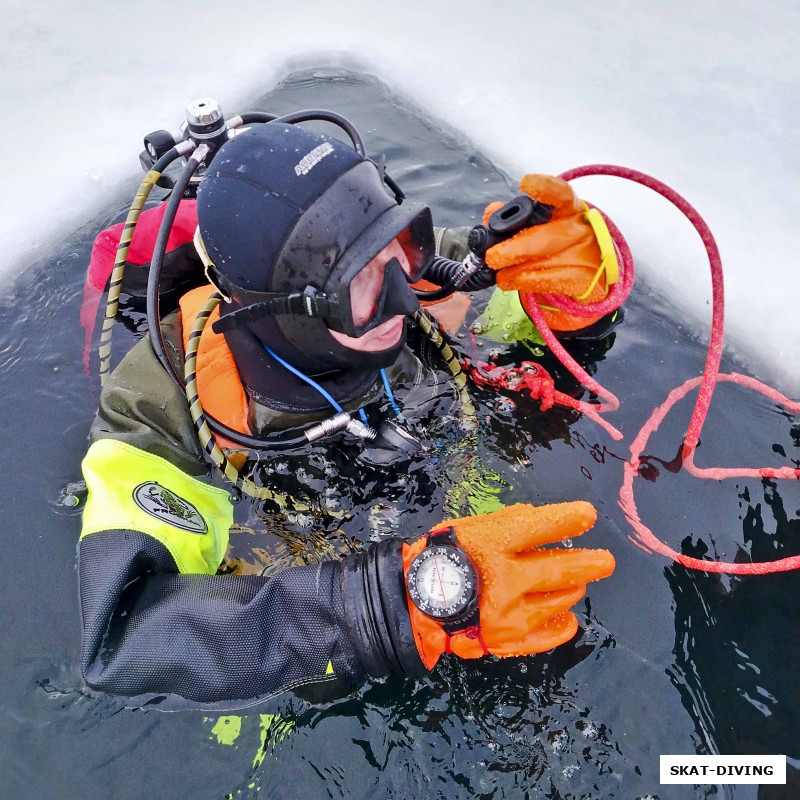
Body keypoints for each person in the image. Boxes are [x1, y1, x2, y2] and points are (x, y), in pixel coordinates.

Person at [78, 120, 616, 707]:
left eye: (401, 244)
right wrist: (384, 606)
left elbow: (539, 327)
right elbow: (122, 642)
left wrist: (579, 294)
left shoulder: (425, 272)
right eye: (360, 280)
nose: (405, 294)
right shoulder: (158, 401)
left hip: (457, 514)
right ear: (272, 305)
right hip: (299, 612)